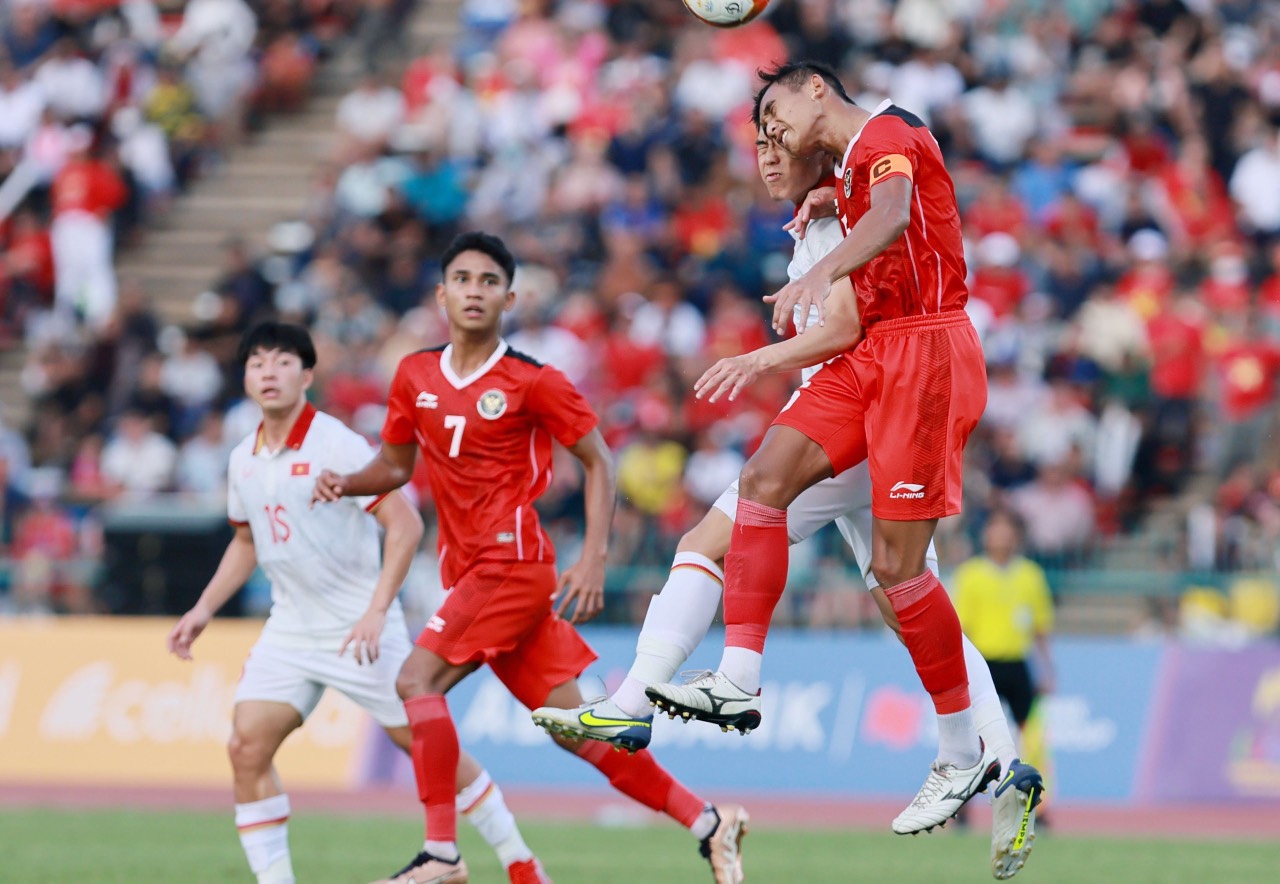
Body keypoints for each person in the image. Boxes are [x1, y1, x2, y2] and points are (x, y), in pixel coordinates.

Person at [535, 118, 1041, 880]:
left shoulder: (842, 218)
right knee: (905, 594)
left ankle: (640, 698)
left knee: (706, 542)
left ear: (815, 148)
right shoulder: (836, 207)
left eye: (778, 145)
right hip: (875, 417)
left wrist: (765, 356)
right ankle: (1004, 763)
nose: (766, 160)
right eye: (761, 146)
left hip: (848, 423)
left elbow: (843, 325)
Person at [311, 233, 748, 884]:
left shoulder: (532, 381)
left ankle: (442, 854)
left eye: (489, 281)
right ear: (441, 293)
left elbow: (600, 459)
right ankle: (709, 822)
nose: (475, 290)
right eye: (462, 279)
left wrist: (594, 554)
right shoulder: (415, 376)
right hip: (474, 573)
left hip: (510, 565)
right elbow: (396, 465)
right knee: (580, 732)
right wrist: (347, 483)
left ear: (509, 297)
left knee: (415, 683)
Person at [168, 322, 548, 884]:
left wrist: (376, 610)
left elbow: (404, 524)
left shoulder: (336, 443)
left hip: (360, 629)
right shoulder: (242, 459)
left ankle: (521, 862)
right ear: (245, 377)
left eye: (282, 362)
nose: (269, 372)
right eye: (257, 363)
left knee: (424, 746)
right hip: (291, 631)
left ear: (308, 375)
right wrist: (204, 608)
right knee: (247, 746)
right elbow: (248, 541)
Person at [953, 508, 1055, 833]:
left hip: (1018, 666)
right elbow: (961, 629)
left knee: (1033, 737)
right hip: (984, 667)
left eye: (1008, 530)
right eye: (996, 529)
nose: (1002, 536)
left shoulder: (1031, 576)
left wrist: (1047, 667)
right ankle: (962, 806)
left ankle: (1040, 804)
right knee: (972, 741)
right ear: (986, 536)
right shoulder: (971, 575)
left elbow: (1040, 628)